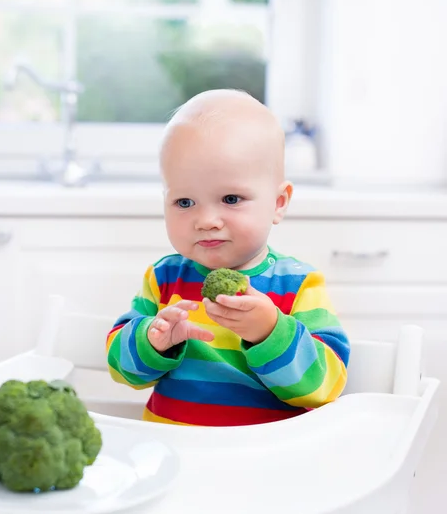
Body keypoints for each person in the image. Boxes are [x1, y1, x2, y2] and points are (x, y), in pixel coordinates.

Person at [106, 89, 350, 426]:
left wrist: (269, 332)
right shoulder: (163, 279)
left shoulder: (297, 284)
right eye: (185, 202)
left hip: (263, 461)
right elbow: (123, 371)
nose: (206, 220)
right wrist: (152, 340)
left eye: (231, 198)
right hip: (171, 453)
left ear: (278, 203)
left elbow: (324, 385)